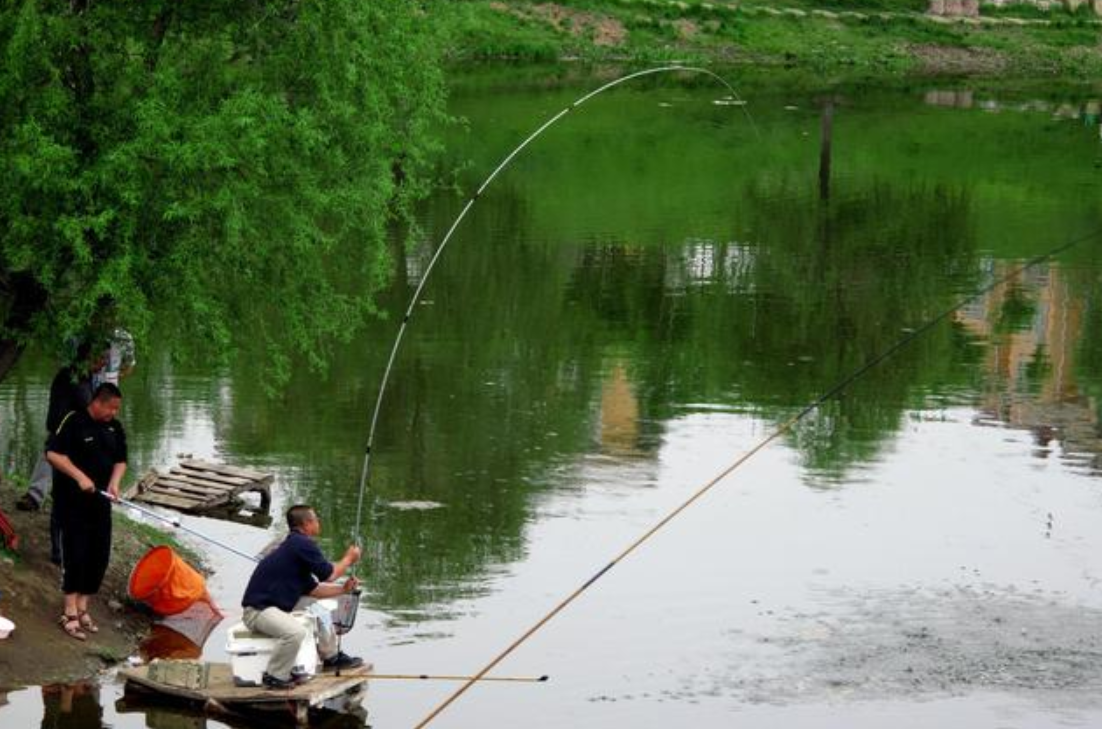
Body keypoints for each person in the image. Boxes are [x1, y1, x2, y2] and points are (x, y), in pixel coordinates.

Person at [241, 505, 363, 689]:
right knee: (295, 633)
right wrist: (349, 558)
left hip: (275, 607)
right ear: (306, 524)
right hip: (258, 610)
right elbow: (329, 574)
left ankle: (331, 657)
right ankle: (274, 676)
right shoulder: (301, 544)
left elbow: (314, 590)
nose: (318, 522)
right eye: (315, 519)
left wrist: (343, 589)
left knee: (318, 607)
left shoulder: (295, 549)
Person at [46, 383, 127, 641]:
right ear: (98, 402)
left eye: (117, 409)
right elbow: (53, 454)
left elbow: (121, 460)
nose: (113, 413)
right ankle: (69, 612)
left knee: (98, 555)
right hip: (72, 502)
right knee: (75, 554)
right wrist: (80, 476)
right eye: (111, 408)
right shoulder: (73, 421)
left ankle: (83, 608)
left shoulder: (114, 427)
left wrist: (115, 483)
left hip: (100, 502)